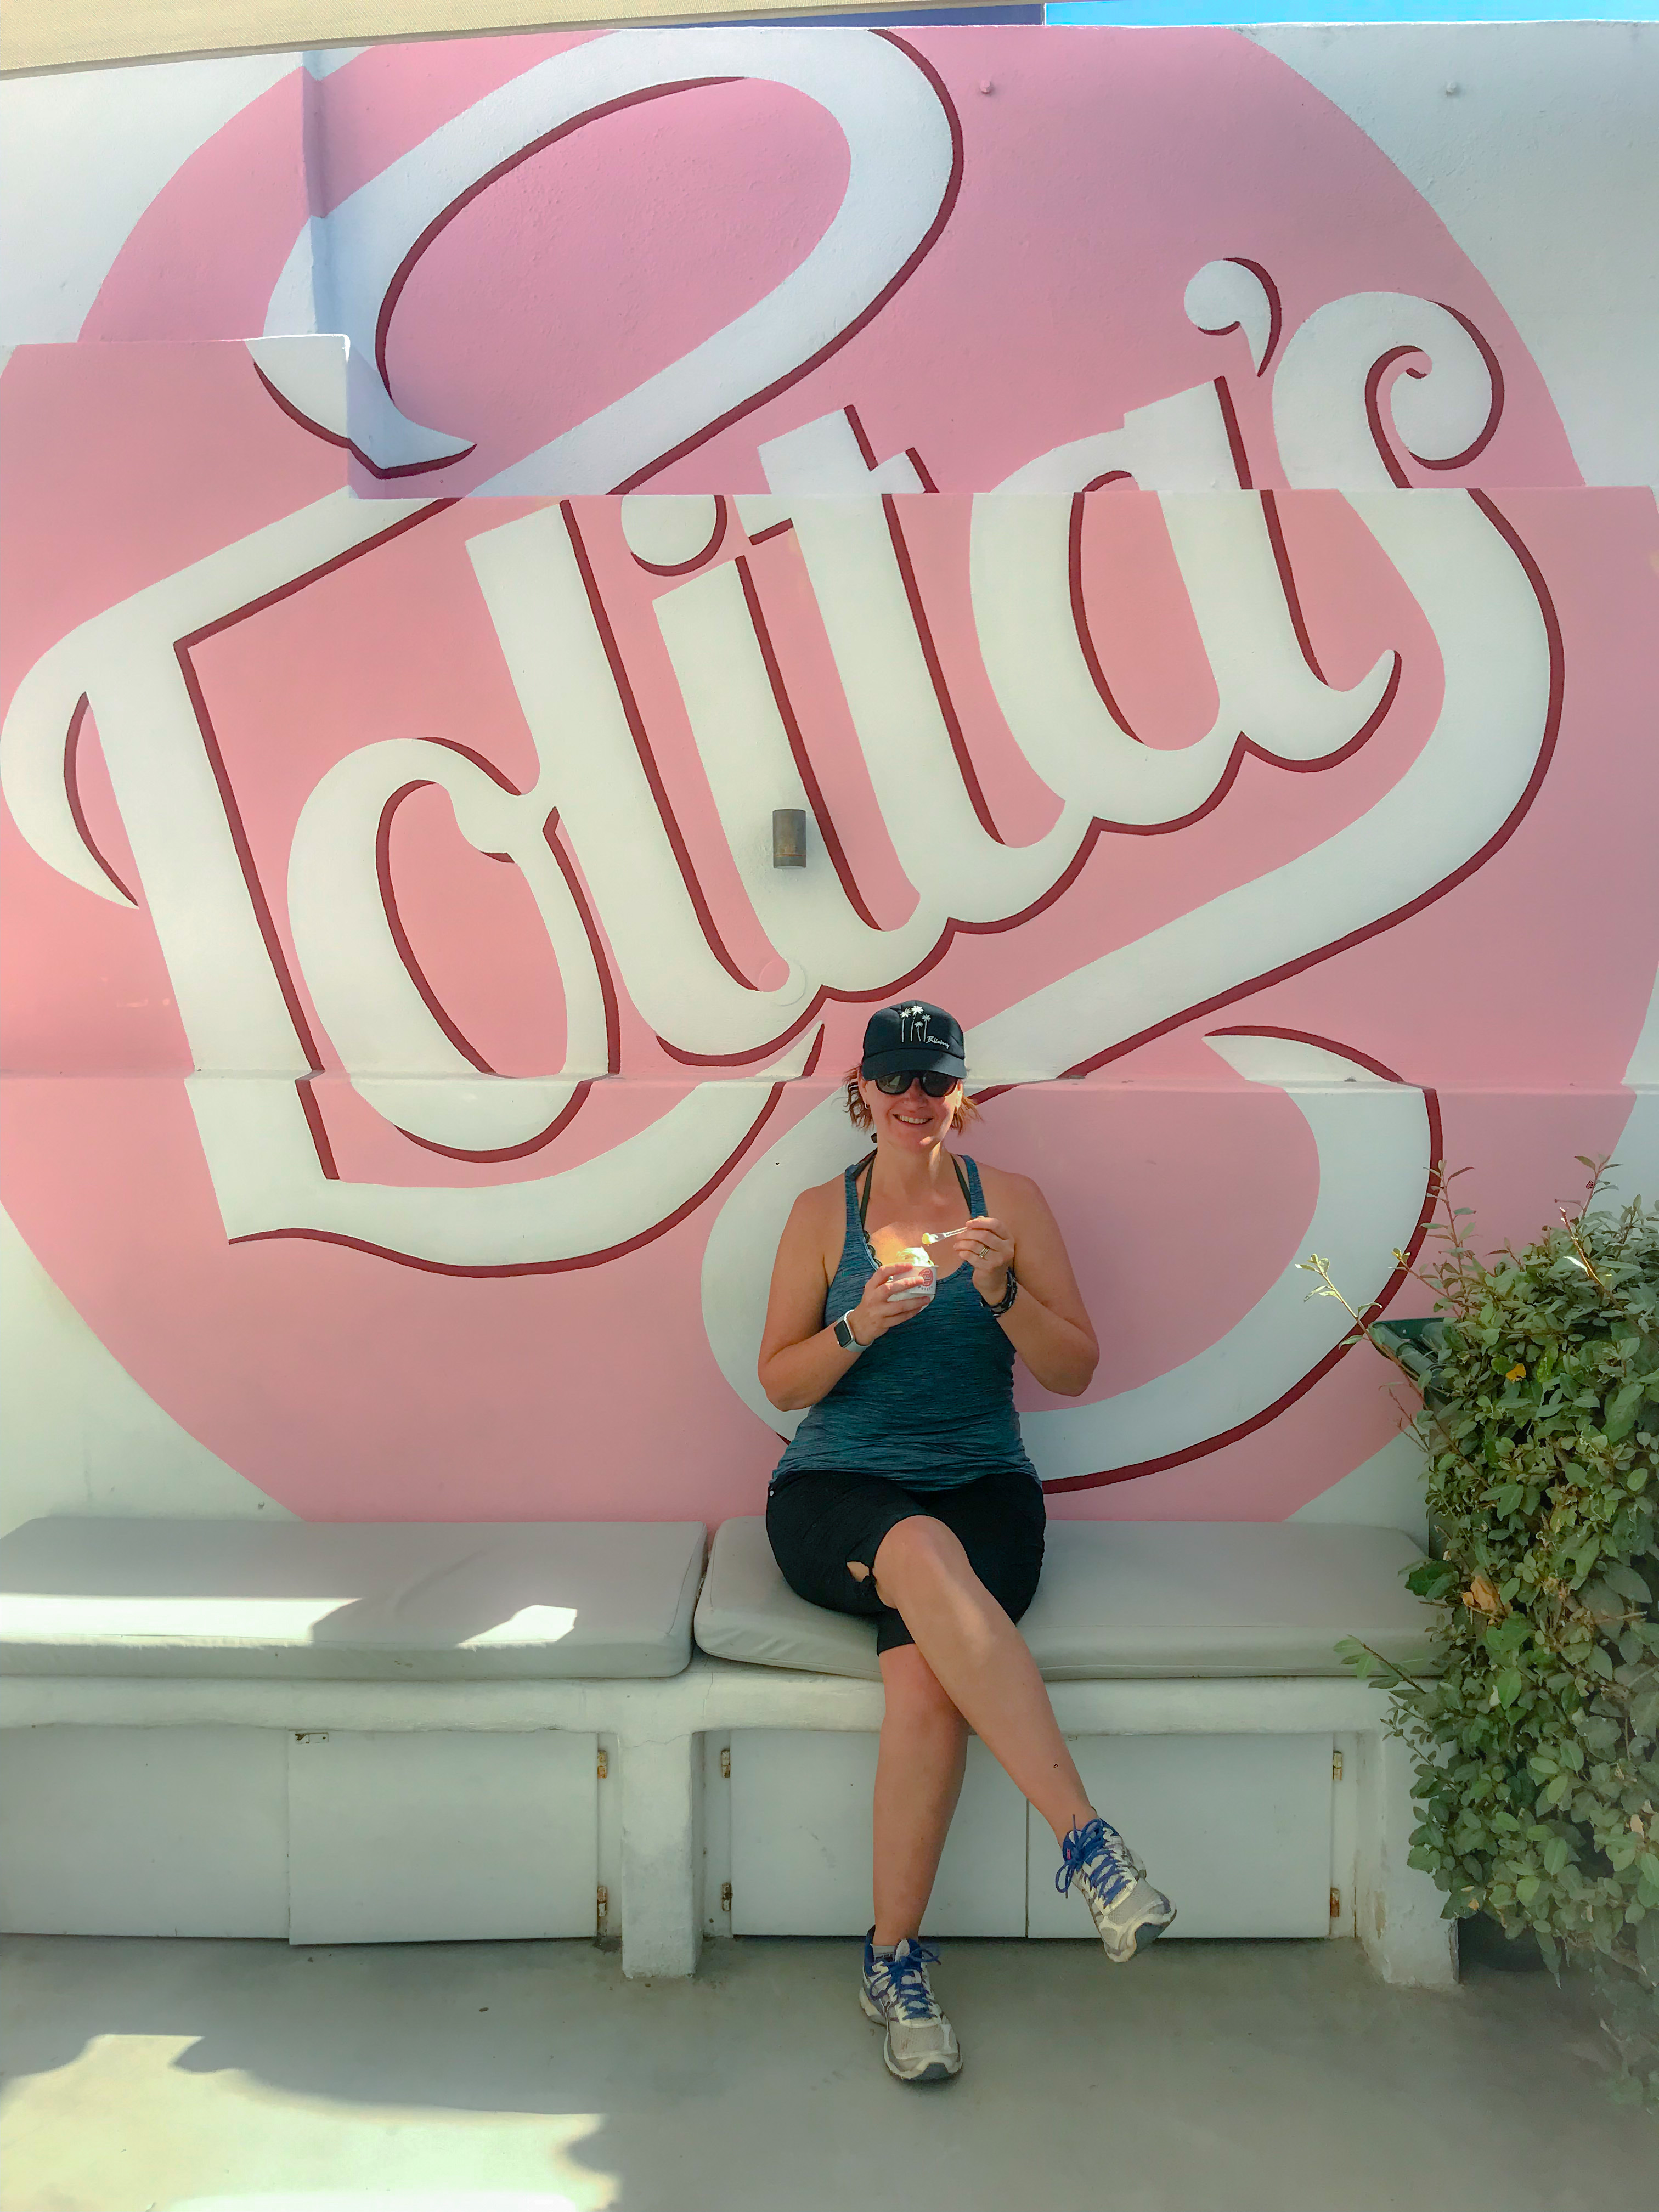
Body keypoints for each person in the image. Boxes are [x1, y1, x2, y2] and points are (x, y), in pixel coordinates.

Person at [758, 1000, 1176, 2086]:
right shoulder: (821, 1214)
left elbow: (1074, 1369)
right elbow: (781, 1381)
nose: (913, 1099)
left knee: (926, 1682)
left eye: (933, 1080)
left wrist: (1001, 1293)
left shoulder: (1012, 1205)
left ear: (960, 1092)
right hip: (838, 1490)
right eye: (893, 1079)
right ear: (861, 1091)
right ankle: (1089, 1845)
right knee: (917, 1552)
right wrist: (859, 1325)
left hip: (987, 1488)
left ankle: (891, 1964)